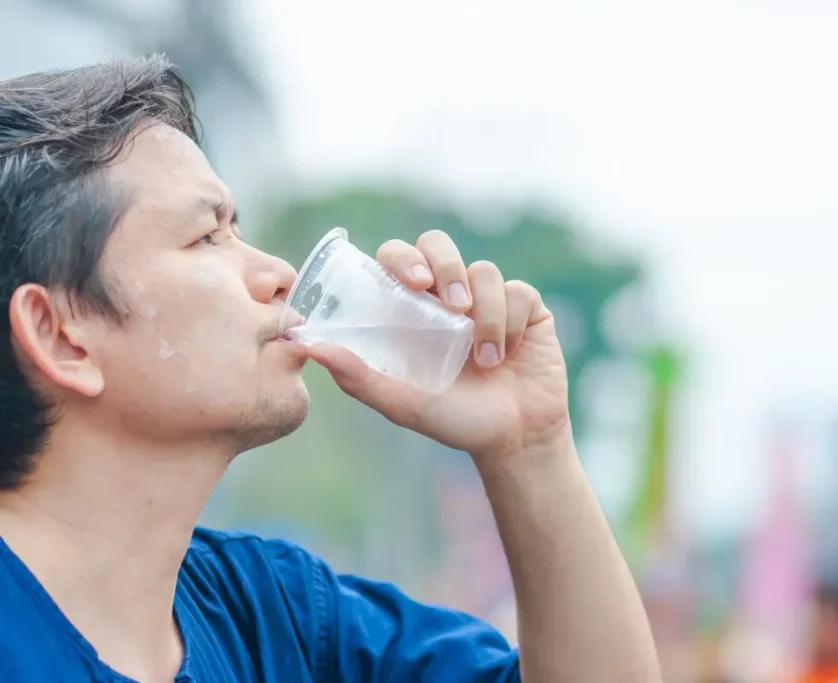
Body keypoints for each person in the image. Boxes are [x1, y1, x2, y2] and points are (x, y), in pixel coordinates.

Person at [0, 56, 661, 682]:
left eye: (238, 230)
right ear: (60, 335)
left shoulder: (275, 616)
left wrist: (529, 446)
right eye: (207, 237)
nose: (278, 272)